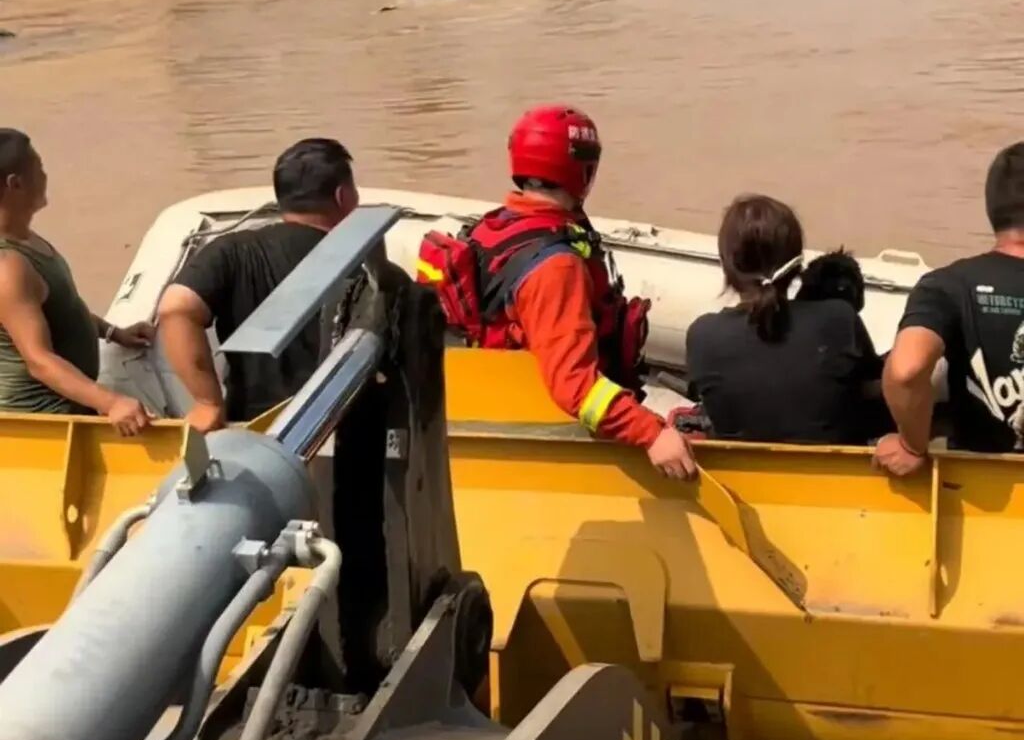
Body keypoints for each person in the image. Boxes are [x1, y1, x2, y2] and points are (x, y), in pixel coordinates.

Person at [416, 105, 696, 479]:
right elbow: (575, 388)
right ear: (582, 171)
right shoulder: (556, 268)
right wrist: (651, 433)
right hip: (551, 425)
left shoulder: (496, 226)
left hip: (500, 399)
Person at [158, 137, 358, 431]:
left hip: (249, 430)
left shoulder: (233, 250)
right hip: (336, 430)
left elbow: (175, 308)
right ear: (342, 196)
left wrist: (207, 402)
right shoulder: (363, 260)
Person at [876, 142, 1024, 475]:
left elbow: (906, 371)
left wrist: (912, 445)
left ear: (992, 208)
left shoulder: (948, 285)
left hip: (979, 486)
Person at [686, 195, 882, 445]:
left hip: (737, 479)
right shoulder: (838, 318)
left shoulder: (703, 335)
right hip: (834, 479)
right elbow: (876, 386)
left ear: (726, 265)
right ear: (797, 263)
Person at [0, 130, 152, 434]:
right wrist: (111, 401)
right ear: (15, 183)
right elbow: (39, 360)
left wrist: (113, 332)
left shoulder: (28, 239)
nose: (45, 176)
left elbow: (63, 308)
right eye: (39, 169)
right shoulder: (8, 267)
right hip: (39, 421)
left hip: (71, 404)